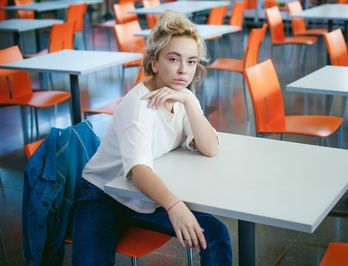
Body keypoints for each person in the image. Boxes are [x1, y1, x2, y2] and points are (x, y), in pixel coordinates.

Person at [72, 10, 232, 266]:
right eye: (173, 59)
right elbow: (138, 171)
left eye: (191, 62)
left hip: (143, 197)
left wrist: (190, 101)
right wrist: (175, 206)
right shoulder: (139, 104)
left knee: (216, 234)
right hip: (103, 194)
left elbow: (210, 147)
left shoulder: (181, 95)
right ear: (155, 63)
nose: (183, 70)